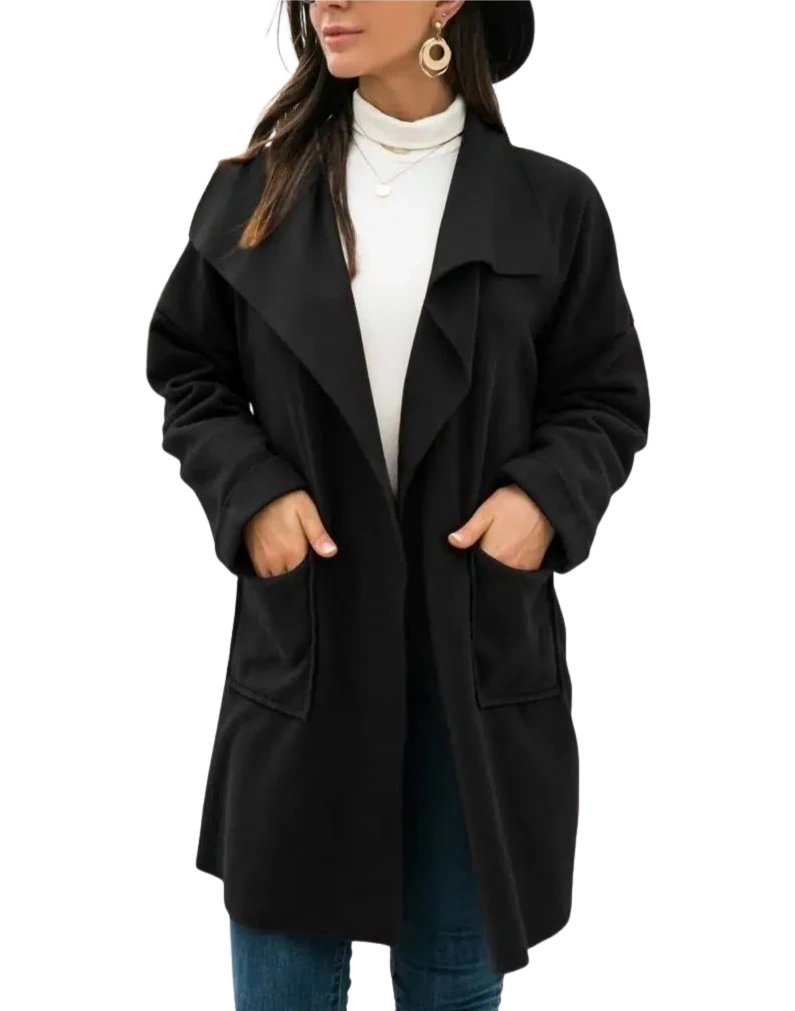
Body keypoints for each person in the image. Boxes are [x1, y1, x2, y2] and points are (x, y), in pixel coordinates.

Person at [144, 1, 650, 1008]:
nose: (328, 0)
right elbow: (187, 371)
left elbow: (605, 396)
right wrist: (252, 493)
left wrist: (541, 500)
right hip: (307, 651)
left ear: (447, 3)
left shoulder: (552, 203)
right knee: (281, 988)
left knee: (453, 990)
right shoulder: (251, 192)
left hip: (473, 654)